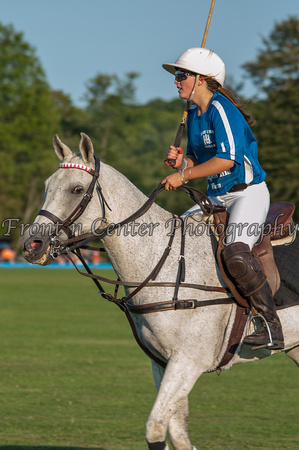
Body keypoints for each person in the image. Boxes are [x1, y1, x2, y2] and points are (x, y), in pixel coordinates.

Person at [162, 47, 284, 349]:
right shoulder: (193, 113)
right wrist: (183, 163)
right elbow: (196, 157)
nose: (176, 81)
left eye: (182, 75)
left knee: (236, 252)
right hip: (217, 195)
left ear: (202, 79)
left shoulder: (221, 109)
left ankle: (271, 325)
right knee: (174, 237)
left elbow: (227, 160)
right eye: (177, 76)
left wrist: (184, 176)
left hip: (246, 194)